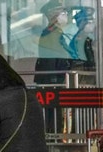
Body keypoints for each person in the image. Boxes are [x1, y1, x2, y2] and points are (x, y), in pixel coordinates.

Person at [34, 0, 74, 134]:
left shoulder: (57, 33)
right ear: (53, 16)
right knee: (52, 116)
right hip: (51, 81)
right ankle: (53, 138)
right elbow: (50, 59)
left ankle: (54, 135)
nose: (65, 16)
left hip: (54, 80)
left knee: (55, 116)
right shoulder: (51, 34)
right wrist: (54, 81)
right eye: (62, 13)